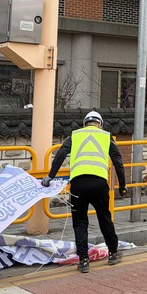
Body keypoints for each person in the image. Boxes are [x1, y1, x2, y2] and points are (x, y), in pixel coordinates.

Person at [41, 110, 127, 273]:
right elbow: (118, 161)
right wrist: (122, 185)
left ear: (85, 123)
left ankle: (84, 260)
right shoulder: (106, 136)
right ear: (100, 124)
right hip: (99, 184)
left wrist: (50, 176)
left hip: (78, 184)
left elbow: (61, 154)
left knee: (80, 222)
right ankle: (113, 253)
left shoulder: (75, 135)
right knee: (104, 217)